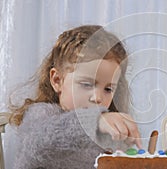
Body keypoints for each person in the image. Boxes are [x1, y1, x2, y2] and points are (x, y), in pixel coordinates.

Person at [7, 25, 142, 169]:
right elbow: (38, 144)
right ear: (57, 80)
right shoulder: (40, 114)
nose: (97, 98)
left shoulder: (106, 134)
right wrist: (93, 122)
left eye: (108, 89)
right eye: (86, 84)